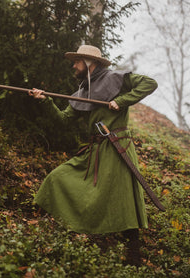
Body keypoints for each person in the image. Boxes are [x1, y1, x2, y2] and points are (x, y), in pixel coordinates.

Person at [28, 45, 158, 266]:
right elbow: (62, 120)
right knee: (58, 177)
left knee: (123, 197)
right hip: (94, 149)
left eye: (77, 61)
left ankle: (134, 254)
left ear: (90, 63)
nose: (74, 66)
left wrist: (122, 100)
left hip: (118, 147)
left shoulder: (116, 79)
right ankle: (49, 231)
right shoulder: (82, 92)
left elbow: (150, 83)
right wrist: (46, 101)